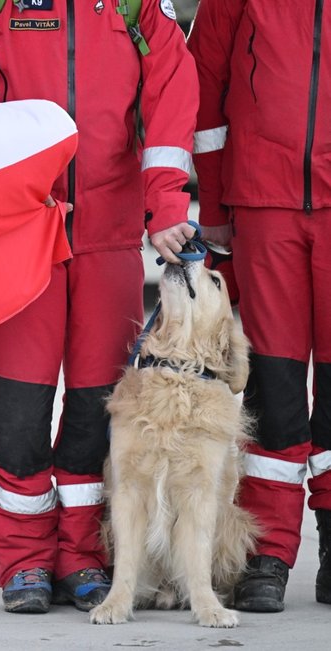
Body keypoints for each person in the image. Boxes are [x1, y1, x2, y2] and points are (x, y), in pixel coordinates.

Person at [0, 0, 198, 613]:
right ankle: (24, 561)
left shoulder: (138, 8)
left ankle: (83, 556)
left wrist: (166, 207)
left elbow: (170, 98)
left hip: (107, 239)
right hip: (15, 236)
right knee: (16, 410)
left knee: (95, 409)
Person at [188, 0, 331, 612]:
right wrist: (216, 206)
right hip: (263, 201)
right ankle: (266, 555)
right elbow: (206, 92)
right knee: (274, 387)